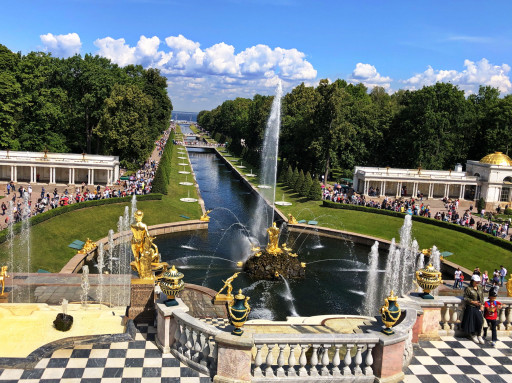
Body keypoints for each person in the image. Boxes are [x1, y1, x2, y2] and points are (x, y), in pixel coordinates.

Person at [461, 275, 485, 344]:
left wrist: (482, 305)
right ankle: (473, 334)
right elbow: (465, 298)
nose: (477, 283)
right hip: (471, 306)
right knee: (472, 322)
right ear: (472, 281)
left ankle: (479, 335)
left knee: (480, 321)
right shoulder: (468, 288)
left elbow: (482, 297)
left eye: (478, 282)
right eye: (476, 282)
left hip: (478, 307)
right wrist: (472, 302)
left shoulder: (480, 288)